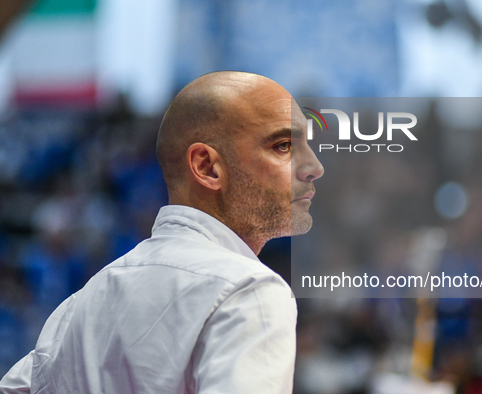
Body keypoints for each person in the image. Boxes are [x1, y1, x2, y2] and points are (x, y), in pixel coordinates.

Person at [0, 71, 324, 393]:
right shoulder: (248, 290)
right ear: (207, 167)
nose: (314, 167)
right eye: (283, 146)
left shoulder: (81, 305)